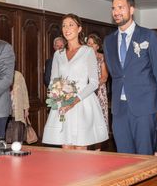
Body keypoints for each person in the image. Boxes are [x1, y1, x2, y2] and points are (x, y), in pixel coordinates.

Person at [103, 0, 157, 155]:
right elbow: (115, 73)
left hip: (145, 106)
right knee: (124, 157)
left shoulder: (148, 35)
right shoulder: (108, 41)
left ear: (131, 9)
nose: (116, 12)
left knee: (144, 155)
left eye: (120, 7)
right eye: (113, 8)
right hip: (119, 108)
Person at [43, 14, 108, 149]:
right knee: (66, 149)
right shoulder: (58, 54)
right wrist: (57, 98)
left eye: (71, 25)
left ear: (79, 29)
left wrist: (74, 100)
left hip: (82, 103)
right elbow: (53, 81)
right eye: (64, 25)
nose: (67, 28)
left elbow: (94, 82)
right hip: (63, 105)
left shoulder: (87, 52)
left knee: (80, 150)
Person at [86, 33, 109, 128]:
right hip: (86, 90)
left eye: (93, 43)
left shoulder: (102, 57)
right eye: (88, 43)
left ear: (97, 46)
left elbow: (104, 77)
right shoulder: (83, 57)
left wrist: (93, 86)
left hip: (99, 90)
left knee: (99, 117)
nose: (90, 45)